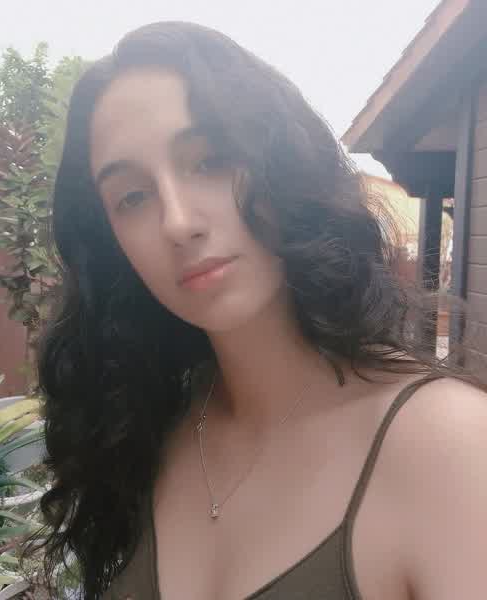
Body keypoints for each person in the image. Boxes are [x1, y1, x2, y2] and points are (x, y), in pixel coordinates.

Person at [35, 21, 487, 600]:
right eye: (133, 197)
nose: (178, 221)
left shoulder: (448, 446)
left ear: (284, 164)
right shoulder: (145, 429)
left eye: (209, 161)